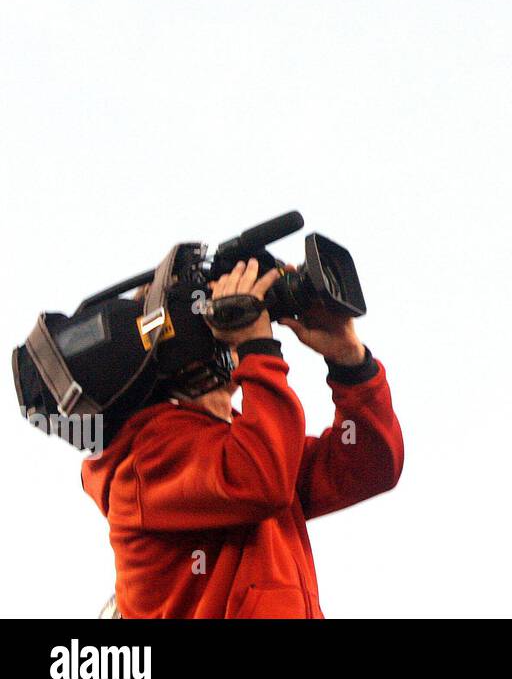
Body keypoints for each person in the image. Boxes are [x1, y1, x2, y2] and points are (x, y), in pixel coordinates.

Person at [81, 258, 404, 616]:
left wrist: (349, 361)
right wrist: (257, 348)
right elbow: (262, 477)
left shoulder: (240, 446)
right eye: (213, 314)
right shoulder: (144, 459)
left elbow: (368, 465)